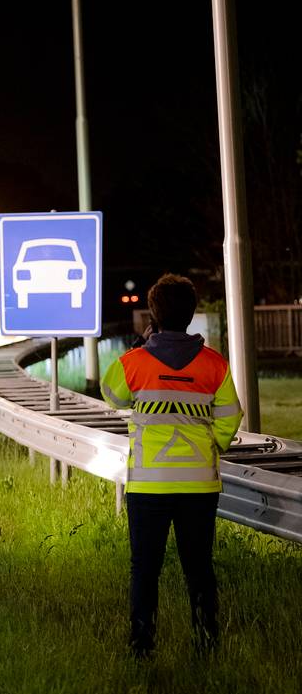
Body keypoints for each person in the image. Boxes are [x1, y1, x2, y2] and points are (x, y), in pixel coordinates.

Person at [101, 274, 241, 658]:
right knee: (199, 567)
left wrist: (141, 346)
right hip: (198, 484)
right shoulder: (215, 364)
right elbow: (231, 416)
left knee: (145, 569)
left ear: (154, 314)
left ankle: (142, 647)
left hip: (149, 484)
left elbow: (111, 395)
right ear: (192, 315)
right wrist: (212, 444)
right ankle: (207, 645)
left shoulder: (134, 362)